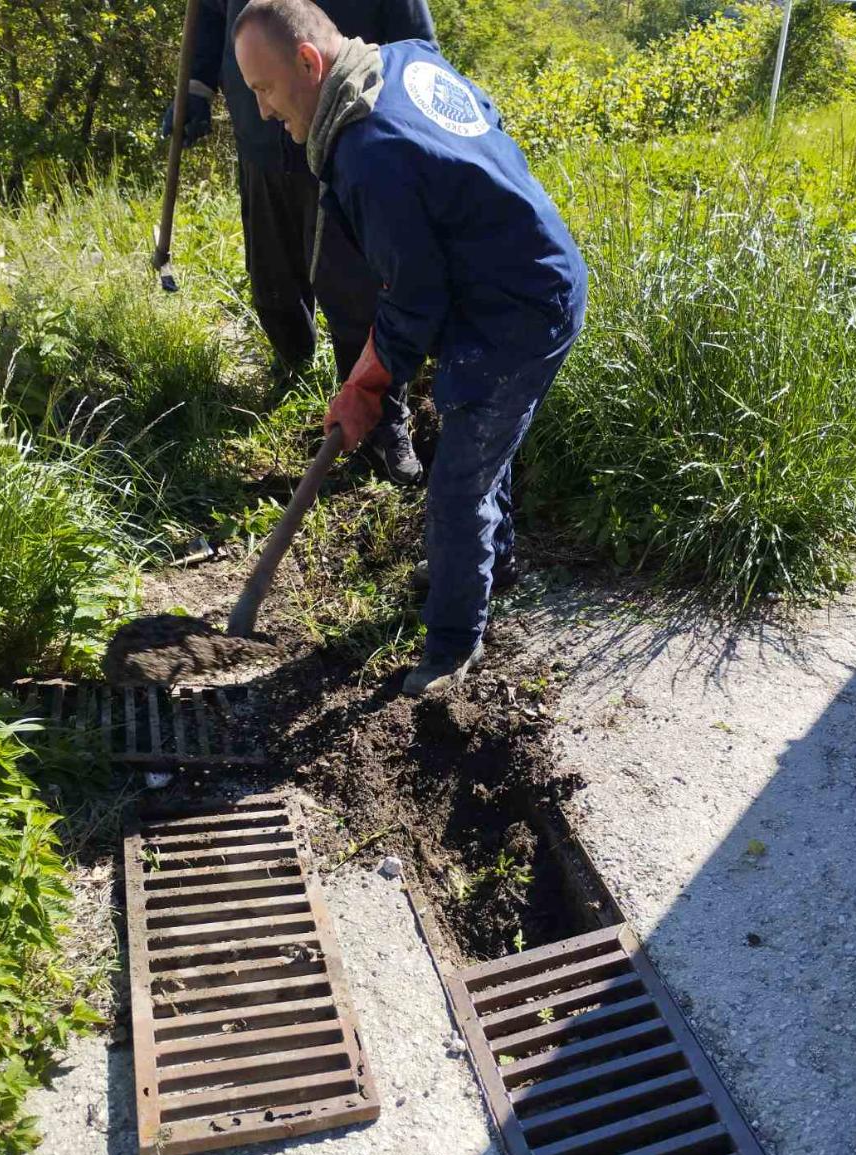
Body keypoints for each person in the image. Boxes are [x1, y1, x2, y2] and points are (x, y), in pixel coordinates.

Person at [232, 0, 588, 695]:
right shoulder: (401, 61)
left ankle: (454, 643)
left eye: (265, 90)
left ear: (308, 63)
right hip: (519, 279)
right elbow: (485, 115)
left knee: (457, 483)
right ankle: (492, 565)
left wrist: (366, 383)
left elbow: (414, 300)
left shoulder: (371, 156)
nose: (266, 112)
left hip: (518, 314)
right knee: (480, 446)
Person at [162, 0, 435, 484]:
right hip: (261, 138)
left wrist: (411, 110)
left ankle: (380, 419)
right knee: (273, 275)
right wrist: (197, 88)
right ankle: (292, 363)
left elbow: (416, 41)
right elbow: (208, 12)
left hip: (347, 132)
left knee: (357, 289)